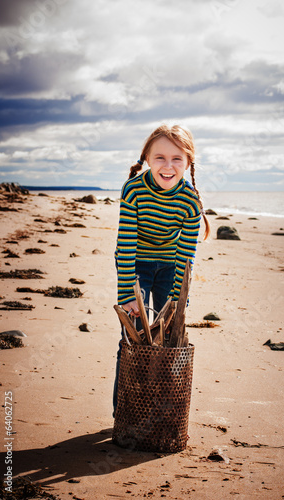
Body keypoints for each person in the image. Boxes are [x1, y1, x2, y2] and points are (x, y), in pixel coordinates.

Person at [113, 124, 210, 415]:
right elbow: (126, 243)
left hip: (170, 266)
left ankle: (158, 410)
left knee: (166, 339)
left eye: (177, 159)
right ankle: (125, 410)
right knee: (135, 338)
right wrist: (128, 293)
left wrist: (179, 302)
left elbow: (186, 255)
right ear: (146, 158)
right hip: (135, 265)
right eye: (160, 158)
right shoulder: (133, 190)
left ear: (189, 162)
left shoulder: (190, 200)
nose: (168, 166)